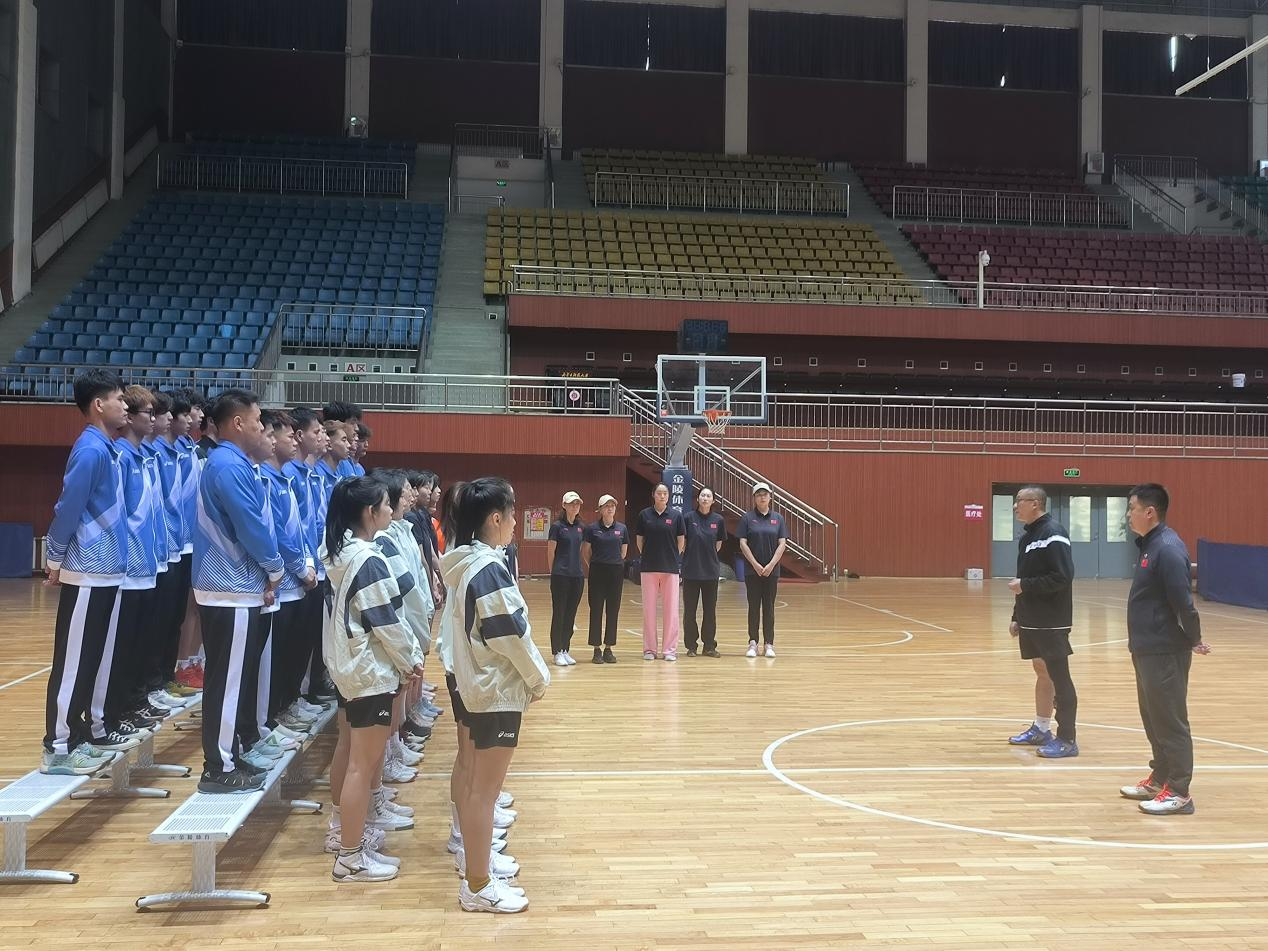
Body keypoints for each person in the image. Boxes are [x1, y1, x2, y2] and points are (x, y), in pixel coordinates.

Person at [440, 478, 549, 913]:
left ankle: (477, 865)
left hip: (479, 685)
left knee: (476, 787)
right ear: (495, 518)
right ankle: (478, 884)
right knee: (483, 792)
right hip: (493, 690)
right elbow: (510, 635)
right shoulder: (486, 569)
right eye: (513, 512)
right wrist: (538, 678)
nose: (517, 521)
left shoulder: (470, 563)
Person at [323, 477, 425, 883]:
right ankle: (350, 857)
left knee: (349, 752)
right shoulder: (369, 559)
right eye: (385, 504)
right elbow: (387, 622)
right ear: (370, 512)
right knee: (361, 766)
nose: (390, 509)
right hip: (368, 671)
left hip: (349, 666)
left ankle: (342, 832)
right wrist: (410, 660)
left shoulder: (342, 552)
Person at [192, 389, 284, 794]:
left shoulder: (231, 462)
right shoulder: (228, 466)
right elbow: (250, 525)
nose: (262, 427)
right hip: (228, 585)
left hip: (233, 587)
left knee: (232, 678)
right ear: (237, 423)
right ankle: (218, 766)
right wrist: (275, 567)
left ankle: (228, 753)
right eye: (258, 419)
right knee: (227, 681)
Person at [41, 369, 130, 775]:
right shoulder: (91, 450)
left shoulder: (107, 449)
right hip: (87, 571)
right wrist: (55, 557)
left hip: (107, 571)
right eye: (119, 398)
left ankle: (77, 735)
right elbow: (67, 508)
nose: (125, 405)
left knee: (91, 659)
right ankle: (57, 746)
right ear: (98, 404)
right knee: (73, 661)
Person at [1119, 483, 1210, 816]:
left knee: (1170, 720)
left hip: (1164, 650)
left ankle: (1180, 792)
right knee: (1153, 718)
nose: (1128, 515)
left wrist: (1194, 638)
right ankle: (1160, 778)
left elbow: (1183, 603)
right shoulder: (1150, 545)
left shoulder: (1168, 548)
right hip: (1146, 648)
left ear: (1149, 512)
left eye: (1131, 508)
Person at [1006, 486, 1078, 758]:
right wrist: (1017, 615)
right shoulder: (1027, 538)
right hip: (1031, 619)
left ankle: (1067, 738)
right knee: (1042, 671)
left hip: (1052, 621)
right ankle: (1042, 728)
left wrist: (1025, 586)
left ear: (1035, 503)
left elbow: (1062, 577)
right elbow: (1023, 577)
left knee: (1060, 677)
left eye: (1019, 501)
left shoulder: (1053, 533)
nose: (1015, 506)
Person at [634, 484, 686, 662]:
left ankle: (669, 650)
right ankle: (649, 649)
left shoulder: (676, 516)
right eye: (659, 493)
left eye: (665, 493)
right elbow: (639, 540)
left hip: (670, 568)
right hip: (649, 567)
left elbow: (681, 541)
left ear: (668, 496)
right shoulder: (644, 515)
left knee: (671, 611)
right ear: (653, 495)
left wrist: (672, 557)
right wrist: (648, 555)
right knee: (649, 610)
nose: (662, 496)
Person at [737, 482, 788, 659]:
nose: (762, 497)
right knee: (753, 607)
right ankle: (753, 643)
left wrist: (771, 565)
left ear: (770, 497)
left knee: (769, 607)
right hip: (753, 572)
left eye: (765, 494)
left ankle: (769, 644)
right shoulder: (747, 518)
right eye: (759, 494)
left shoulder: (778, 518)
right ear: (754, 498)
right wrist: (755, 564)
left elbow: (782, 543)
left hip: (771, 572)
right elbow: (742, 543)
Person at [581, 494, 627, 664]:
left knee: (613, 610)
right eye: (606, 506)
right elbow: (585, 551)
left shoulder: (622, 528)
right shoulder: (592, 529)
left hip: (615, 573)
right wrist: (594, 564)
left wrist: (613, 563)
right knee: (596, 610)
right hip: (597, 573)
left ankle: (608, 648)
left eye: (612, 505)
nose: (610, 508)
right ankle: (596, 649)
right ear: (600, 509)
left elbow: (623, 552)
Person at [682, 487, 726, 658]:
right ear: (698, 499)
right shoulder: (688, 518)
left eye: (709, 496)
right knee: (690, 611)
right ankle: (691, 646)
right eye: (703, 495)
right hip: (691, 571)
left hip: (710, 572)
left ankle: (709, 646)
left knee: (710, 611)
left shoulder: (718, 520)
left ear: (713, 500)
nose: (705, 498)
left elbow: (718, 545)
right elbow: (683, 542)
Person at [547, 491, 586, 666]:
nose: (575, 506)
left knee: (571, 614)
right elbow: (551, 552)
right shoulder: (557, 527)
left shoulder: (581, 527)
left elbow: (582, 550)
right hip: (560, 576)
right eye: (571, 503)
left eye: (577, 503)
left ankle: (565, 649)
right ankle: (556, 651)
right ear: (564, 505)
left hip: (577, 576)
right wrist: (554, 572)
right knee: (559, 613)